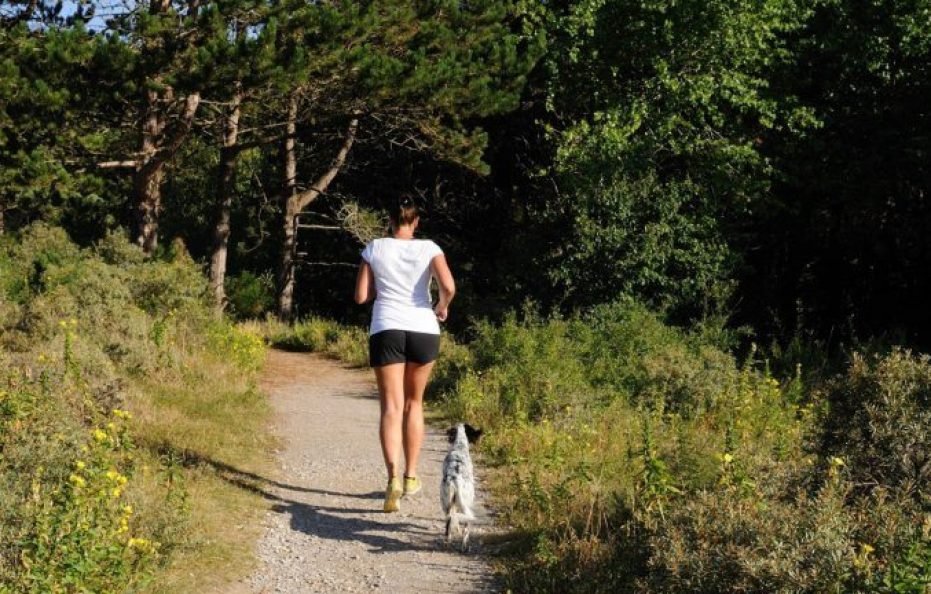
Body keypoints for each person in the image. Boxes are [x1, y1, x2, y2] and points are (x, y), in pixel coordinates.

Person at [354, 196, 455, 512]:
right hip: (423, 328)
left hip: (387, 328)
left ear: (390, 221)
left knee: (391, 407)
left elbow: (360, 296)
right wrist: (441, 306)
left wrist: (377, 291)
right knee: (415, 403)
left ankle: (393, 478)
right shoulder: (429, 248)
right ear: (416, 222)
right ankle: (412, 476)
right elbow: (449, 286)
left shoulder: (375, 248)